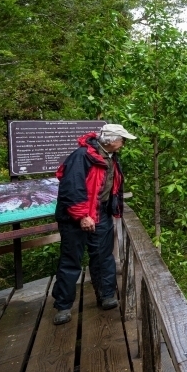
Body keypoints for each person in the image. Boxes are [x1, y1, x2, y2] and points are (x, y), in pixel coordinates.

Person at [51, 123, 136, 325]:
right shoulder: (82, 157)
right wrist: (82, 216)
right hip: (76, 217)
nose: (123, 143)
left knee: (103, 256)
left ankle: (106, 295)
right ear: (111, 140)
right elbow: (71, 188)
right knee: (71, 260)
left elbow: (110, 186)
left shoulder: (110, 157)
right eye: (121, 139)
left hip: (101, 213)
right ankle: (63, 306)